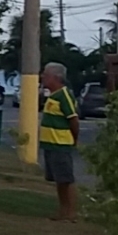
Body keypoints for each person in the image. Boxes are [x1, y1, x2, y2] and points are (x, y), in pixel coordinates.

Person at [38, 62, 81, 221]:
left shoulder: (64, 95)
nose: (43, 77)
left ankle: (71, 212)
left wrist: (74, 139)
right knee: (58, 179)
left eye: (46, 75)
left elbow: (74, 120)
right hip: (50, 144)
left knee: (66, 178)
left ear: (56, 77)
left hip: (60, 143)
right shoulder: (52, 95)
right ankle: (62, 210)